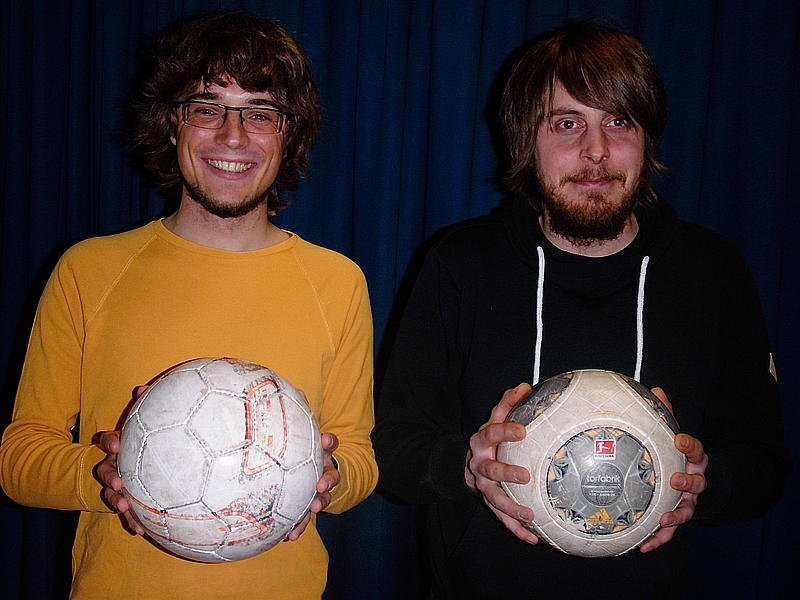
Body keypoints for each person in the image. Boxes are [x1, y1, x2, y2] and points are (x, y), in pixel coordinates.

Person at [372, 21, 789, 598]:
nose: (596, 151)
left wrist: (705, 481)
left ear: (648, 139)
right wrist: (467, 465)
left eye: (619, 122)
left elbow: (765, 463)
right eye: (567, 124)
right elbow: (393, 447)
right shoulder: (460, 264)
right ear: (527, 142)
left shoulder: (711, 271)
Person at [0, 11, 377, 600]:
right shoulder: (89, 270)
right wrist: (110, 475)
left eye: (260, 113)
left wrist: (332, 478)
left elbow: (358, 455)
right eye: (207, 108)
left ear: (288, 136)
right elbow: (19, 458)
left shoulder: (336, 281)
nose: (234, 136)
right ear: (172, 125)